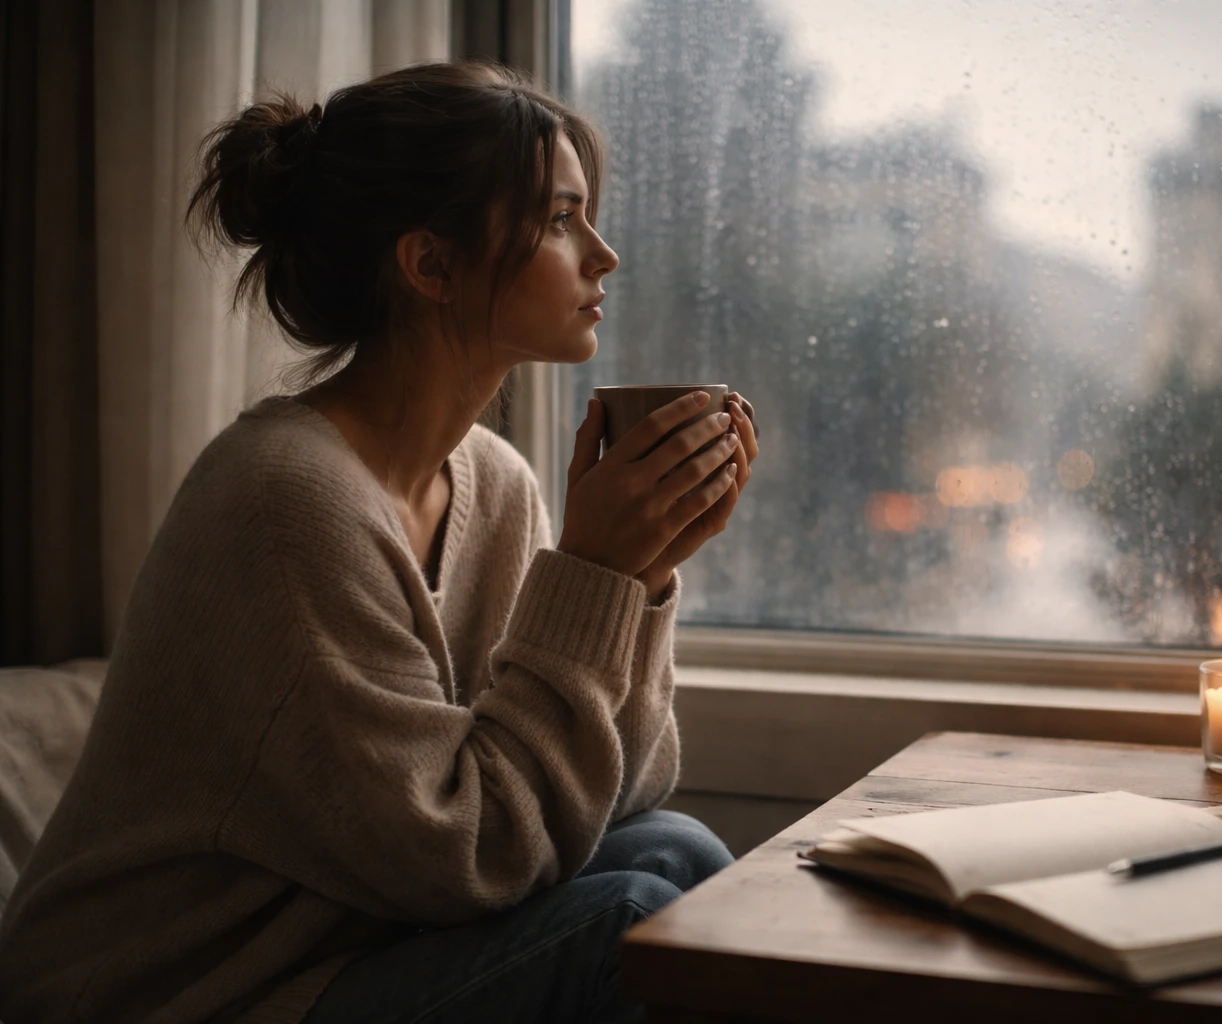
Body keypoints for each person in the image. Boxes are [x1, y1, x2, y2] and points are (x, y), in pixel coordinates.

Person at [0, 60, 759, 1024]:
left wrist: (637, 579)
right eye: (561, 220)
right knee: (632, 921)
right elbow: (467, 854)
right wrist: (594, 573)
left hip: (361, 944)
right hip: (195, 998)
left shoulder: (495, 483)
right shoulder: (285, 502)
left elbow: (626, 791)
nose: (602, 255)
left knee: (675, 850)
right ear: (431, 265)